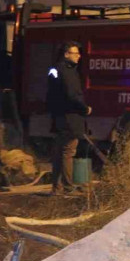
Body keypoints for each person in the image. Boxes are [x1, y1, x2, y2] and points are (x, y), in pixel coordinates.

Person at [46, 41, 91, 195]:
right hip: (70, 118)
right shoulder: (68, 71)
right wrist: (85, 109)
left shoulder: (56, 69)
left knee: (59, 152)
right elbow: (73, 95)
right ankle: (68, 187)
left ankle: (56, 187)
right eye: (75, 53)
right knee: (68, 152)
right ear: (67, 54)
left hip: (59, 117)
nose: (79, 56)